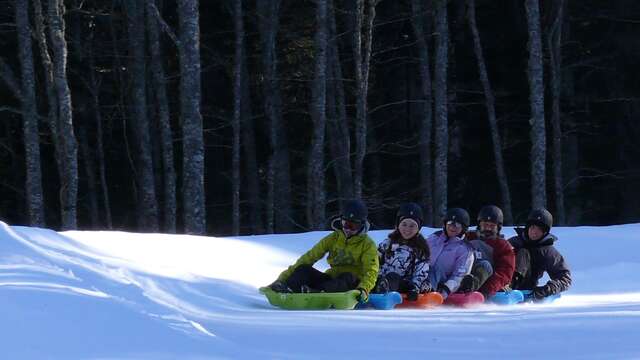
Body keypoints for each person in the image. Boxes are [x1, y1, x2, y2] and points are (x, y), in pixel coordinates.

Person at [268, 199, 379, 301]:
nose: (348, 229)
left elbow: (371, 271)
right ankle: (288, 287)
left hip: (351, 284)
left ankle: (318, 293)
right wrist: (282, 279)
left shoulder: (367, 244)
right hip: (331, 280)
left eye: (353, 226)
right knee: (304, 268)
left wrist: (363, 289)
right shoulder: (333, 238)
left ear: (362, 226)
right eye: (346, 224)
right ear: (341, 221)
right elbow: (310, 257)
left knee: (347, 277)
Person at [508, 208, 571, 300]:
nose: (535, 232)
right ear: (528, 227)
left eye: (540, 229)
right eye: (533, 227)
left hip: (525, 285)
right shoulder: (514, 242)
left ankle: (510, 285)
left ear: (545, 232)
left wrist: (548, 289)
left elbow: (565, 278)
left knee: (523, 253)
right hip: (503, 282)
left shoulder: (547, 251)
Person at [373, 203, 431, 301]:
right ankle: (376, 287)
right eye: (404, 224)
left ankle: (382, 290)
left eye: (412, 226)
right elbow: (375, 261)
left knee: (393, 277)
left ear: (418, 228)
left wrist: (415, 287)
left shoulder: (420, 248)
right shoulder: (388, 243)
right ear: (398, 225)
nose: (407, 229)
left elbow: (421, 271)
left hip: (405, 283)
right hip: (382, 278)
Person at [459, 205, 515, 299]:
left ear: (498, 227)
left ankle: (470, 287)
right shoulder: (468, 237)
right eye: (485, 225)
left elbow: (504, 273)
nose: (488, 228)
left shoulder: (503, 246)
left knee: (485, 264)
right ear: (479, 225)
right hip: (464, 275)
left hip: (488, 282)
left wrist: (486, 291)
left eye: (492, 226)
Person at [426, 208, 474, 299]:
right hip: (422, 276)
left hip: (442, 284)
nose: (452, 227)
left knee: (435, 270)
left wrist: (445, 290)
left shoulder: (465, 249)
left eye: (457, 224)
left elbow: (459, 276)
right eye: (450, 223)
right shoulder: (434, 238)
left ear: (463, 228)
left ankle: (428, 291)